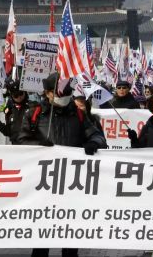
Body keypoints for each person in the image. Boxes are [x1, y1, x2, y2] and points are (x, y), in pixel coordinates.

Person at [18, 74, 106, 257]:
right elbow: (21, 141)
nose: (64, 97)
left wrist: (93, 143)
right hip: (43, 181)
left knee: (71, 226)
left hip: (72, 180)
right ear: (48, 94)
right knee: (43, 227)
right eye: (59, 93)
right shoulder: (34, 114)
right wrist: (40, 147)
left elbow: (97, 135)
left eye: (68, 93)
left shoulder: (78, 114)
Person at [0, 79, 36, 144]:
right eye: (16, 96)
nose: (19, 97)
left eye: (20, 93)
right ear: (12, 96)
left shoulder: (33, 107)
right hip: (15, 146)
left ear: (24, 92)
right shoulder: (10, 110)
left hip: (30, 146)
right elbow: (8, 132)